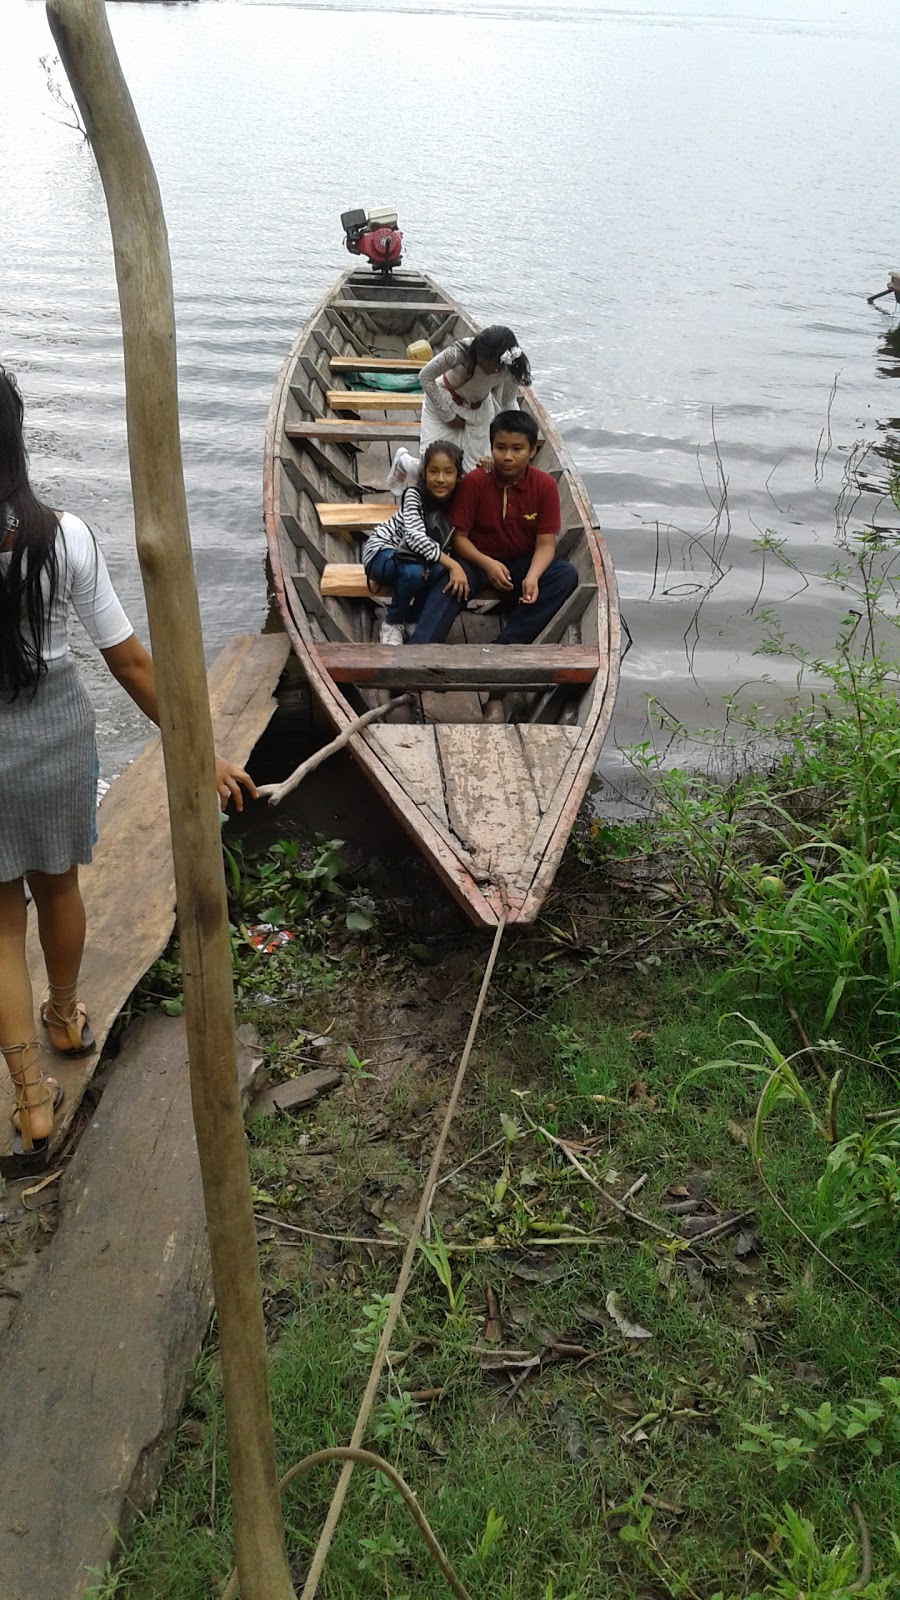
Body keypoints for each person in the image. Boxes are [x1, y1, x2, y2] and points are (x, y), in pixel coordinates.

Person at [0, 367, 256, 1159]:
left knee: (1, 921)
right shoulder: (63, 537)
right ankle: (65, 1016)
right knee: (59, 886)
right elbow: (131, 662)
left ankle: (30, 1100)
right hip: (54, 736)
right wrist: (199, 752)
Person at [409, 411, 578, 718]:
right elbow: (460, 538)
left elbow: (545, 545)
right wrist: (487, 564)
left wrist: (533, 577)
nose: (508, 456)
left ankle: (504, 646)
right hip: (476, 560)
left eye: (517, 449)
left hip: (519, 564)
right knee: (451, 582)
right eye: (500, 447)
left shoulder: (544, 486)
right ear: (491, 447)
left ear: (533, 450)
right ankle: (417, 656)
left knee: (565, 575)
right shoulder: (476, 481)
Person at [388, 326, 532, 488]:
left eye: (492, 364)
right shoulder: (458, 353)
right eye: (483, 361)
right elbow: (425, 377)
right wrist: (448, 417)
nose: (487, 367)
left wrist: (516, 432)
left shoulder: (511, 366)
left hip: (479, 412)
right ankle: (403, 461)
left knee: (474, 474)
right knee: (429, 469)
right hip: (443, 402)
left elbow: (508, 401)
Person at [363, 440, 469, 645]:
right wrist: (454, 564)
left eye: (448, 472)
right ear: (424, 473)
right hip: (383, 554)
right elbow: (414, 538)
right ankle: (392, 622)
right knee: (414, 572)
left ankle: (414, 618)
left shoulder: (458, 499)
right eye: (433, 471)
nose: (440, 479)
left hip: (420, 560)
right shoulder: (414, 495)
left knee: (440, 572)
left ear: (458, 476)